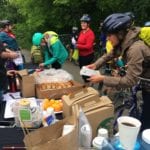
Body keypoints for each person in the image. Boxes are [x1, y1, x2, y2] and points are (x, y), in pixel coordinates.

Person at [86, 13, 150, 131]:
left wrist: (103, 79)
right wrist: (96, 64)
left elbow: (130, 80)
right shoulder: (125, 41)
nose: (107, 39)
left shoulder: (135, 49)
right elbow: (110, 54)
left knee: (146, 121)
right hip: (143, 77)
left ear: (120, 34)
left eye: (109, 35)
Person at [76, 14, 95, 83]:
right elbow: (79, 41)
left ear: (88, 24)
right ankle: (94, 78)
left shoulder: (90, 33)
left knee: (85, 73)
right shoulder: (81, 32)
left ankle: (87, 87)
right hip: (81, 55)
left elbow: (88, 46)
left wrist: (78, 46)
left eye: (84, 23)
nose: (82, 24)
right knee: (83, 71)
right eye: (81, 22)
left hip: (87, 56)